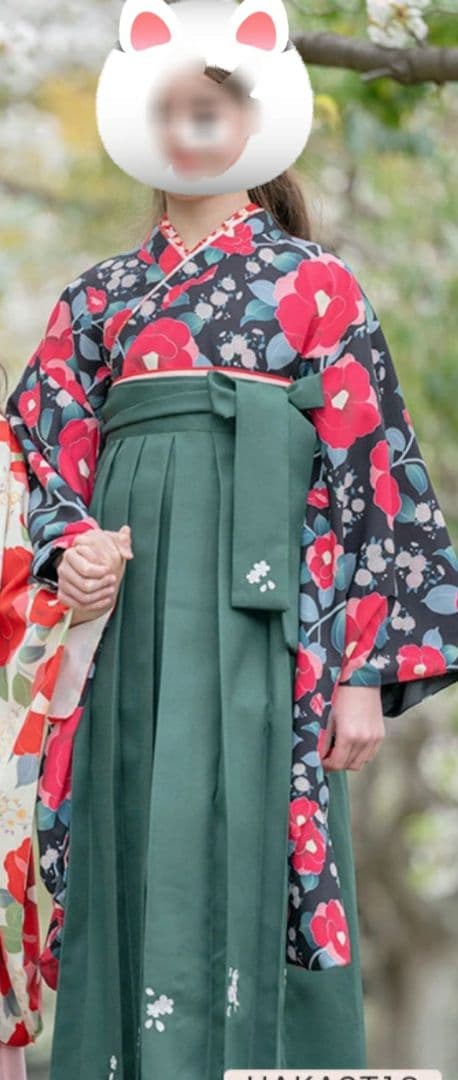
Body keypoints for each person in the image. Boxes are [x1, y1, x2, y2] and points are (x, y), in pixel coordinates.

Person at [3, 61, 458, 1080]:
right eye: (164, 110)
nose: (183, 129)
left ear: (259, 122)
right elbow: (37, 450)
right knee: (127, 824)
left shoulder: (318, 286)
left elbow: (372, 472)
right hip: (130, 627)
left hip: (275, 625)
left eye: (206, 109)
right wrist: (70, 549)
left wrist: (362, 675)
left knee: (258, 830)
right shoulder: (98, 297)